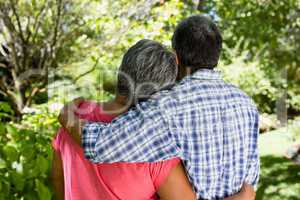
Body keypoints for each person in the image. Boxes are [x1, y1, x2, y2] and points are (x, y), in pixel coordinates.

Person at [59, 15, 259, 199]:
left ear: (176, 58)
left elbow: (98, 146)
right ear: (217, 55)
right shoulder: (247, 104)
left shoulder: (167, 107)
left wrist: (67, 115)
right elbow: (250, 180)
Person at [52, 39, 196, 200]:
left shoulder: (75, 115)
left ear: (121, 72)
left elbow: (58, 177)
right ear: (163, 91)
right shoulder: (157, 142)